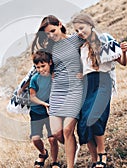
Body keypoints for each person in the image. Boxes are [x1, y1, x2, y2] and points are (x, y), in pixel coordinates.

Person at [72, 13, 127, 168]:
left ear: (90, 25)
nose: (79, 32)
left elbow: (122, 62)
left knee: (95, 117)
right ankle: (94, 159)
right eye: (77, 30)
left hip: (102, 82)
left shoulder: (105, 39)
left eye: (82, 28)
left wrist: (123, 51)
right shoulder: (81, 48)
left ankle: (102, 154)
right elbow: (83, 69)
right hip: (87, 86)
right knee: (84, 124)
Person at [32, 15, 85, 168]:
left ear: (60, 24)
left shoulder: (76, 39)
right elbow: (42, 66)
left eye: (53, 30)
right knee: (57, 134)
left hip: (74, 90)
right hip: (57, 92)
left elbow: (94, 44)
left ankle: (70, 165)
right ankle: (73, 146)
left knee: (68, 129)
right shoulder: (49, 48)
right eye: (47, 33)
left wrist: (85, 71)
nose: (51, 35)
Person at [29, 50, 60, 168]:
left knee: (52, 139)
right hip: (36, 111)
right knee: (35, 138)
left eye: (43, 66)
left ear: (50, 63)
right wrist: (44, 104)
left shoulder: (55, 76)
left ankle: (55, 162)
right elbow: (32, 97)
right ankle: (43, 153)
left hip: (51, 112)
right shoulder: (34, 79)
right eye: (38, 67)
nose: (41, 69)